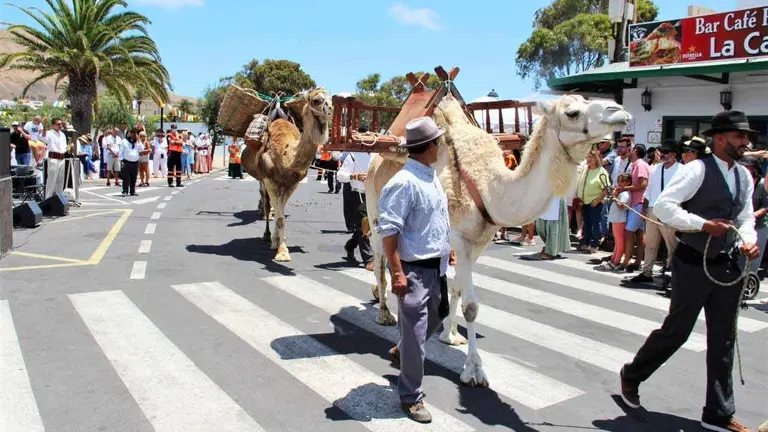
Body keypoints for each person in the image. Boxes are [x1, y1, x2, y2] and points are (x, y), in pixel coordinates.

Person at [620, 111, 760, 432]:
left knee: (724, 339)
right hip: (693, 262)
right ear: (721, 138)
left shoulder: (744, 176)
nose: (746, 143)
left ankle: (718, 413)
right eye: (741, 137)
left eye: (746, 137)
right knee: (677, 331)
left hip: (726, 265)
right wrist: (702, 225)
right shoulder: (697, 169)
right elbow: (666, 206)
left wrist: (748, 242)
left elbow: (745, 218)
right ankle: (632, 374)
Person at [376, 117, 451, 424]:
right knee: (418, 335)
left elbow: (435, 219)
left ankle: (405, 346)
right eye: (439, 141)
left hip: (437, 266)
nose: (441, 146)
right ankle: (411, 397)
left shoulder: (430, 176)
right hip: (414, 270)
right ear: (429, 146)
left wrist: (449, 248)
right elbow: (389, 232)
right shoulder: (403, 183)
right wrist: (397, 273)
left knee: (439, 315)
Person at [629, 139, 682, 283]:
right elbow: (649, 190)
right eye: (662, 152)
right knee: (651, 243)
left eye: (666, 152)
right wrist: (644, 209)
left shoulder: (682, 170)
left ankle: (671, 272)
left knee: (672, 244)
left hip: (670, 209)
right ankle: (647, 272)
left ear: (674, 153)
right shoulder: (655, 169)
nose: (663, 154)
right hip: (653, 207)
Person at [337, 150, 375, 270]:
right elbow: (340, 175)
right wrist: (355, 176)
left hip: (373, 194)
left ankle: (350, 245)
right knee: (363, 224)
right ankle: (368, 259)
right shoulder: (353, 155)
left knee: (367, 226)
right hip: (357, 194)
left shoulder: (378, 155)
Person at [595, 173, 632, 272]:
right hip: (616, 219)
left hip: (619, 220)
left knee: (619, 243)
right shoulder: (621, 193)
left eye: (623, 181)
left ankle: (616, 261)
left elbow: (621, 205)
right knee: (617, 242)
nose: (620, 184)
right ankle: (613, 260)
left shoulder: (625, 194)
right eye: (619, 181)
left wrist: (615, 196)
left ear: (628, 182)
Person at [576, 150, 609, 253]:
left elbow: (606, 189)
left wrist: (597, 201)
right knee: (587, 223)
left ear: (596, 159)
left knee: (595, 224)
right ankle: (586, 243)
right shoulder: (586, 169)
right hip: (585, 202)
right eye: (588, 157)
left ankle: (595, 244)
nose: (589, 159)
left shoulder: (601, 171)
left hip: (595, 202)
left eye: (591, 157)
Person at [40, 118, 68, 199]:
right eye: (58, 124)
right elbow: (43, 137)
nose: (60, 126)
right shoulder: (49, 133)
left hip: (62, 159)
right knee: (52, 180)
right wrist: (44, 127)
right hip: (53, 158)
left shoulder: (62, 134)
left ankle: (59, 199)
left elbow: (64, 147)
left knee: (60, 180)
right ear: (53, 125)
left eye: (61, 124)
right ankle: (48, 199)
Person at [119, 129, 142, 197]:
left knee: (133, 178)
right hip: (126, 162)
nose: (134, 135)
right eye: (133, 133)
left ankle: (132, 191)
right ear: (130, 134)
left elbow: (141, 149)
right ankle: (125, 191)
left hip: (135, 162)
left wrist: (139, 141)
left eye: (136, 134)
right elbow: (121, 151)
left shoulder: (137, 142)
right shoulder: (124, 141)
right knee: (126, 178)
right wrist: (121, 161)